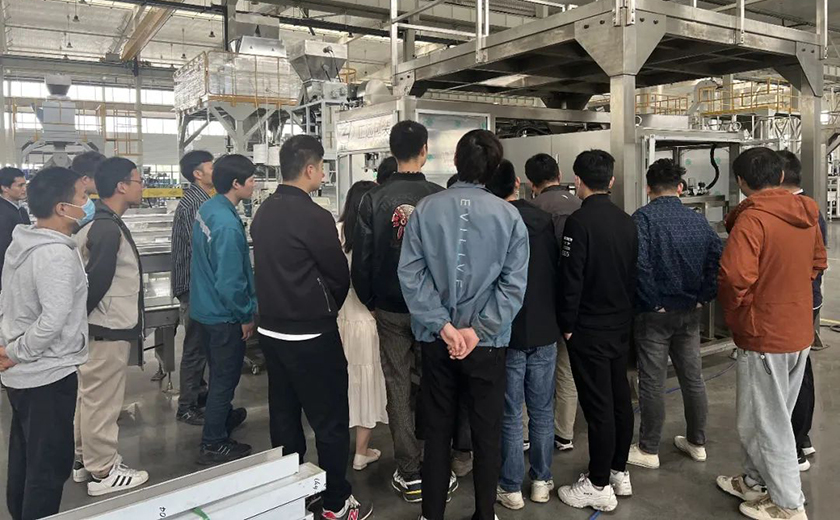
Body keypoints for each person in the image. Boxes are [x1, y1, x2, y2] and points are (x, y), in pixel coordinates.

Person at [399, 129, 529, 520]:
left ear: (456, 161)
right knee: (487, 433)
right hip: (486, 344)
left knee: (437, 431)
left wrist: (444, 327)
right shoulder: (509, 216)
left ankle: (431, 514)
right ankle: (484, 514)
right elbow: (513, 285)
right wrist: (477, 330)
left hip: (437, 340)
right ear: (495, 167)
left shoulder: (426, 209)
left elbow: (411, 275)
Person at [251, 135, 371, 520]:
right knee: (329, 420)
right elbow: (337, 275)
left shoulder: (263, 212)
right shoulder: (315, 217)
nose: (323, 174)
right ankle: (336, 502)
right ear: (308, 169)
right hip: (312, 335)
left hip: (272, 332)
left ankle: (294, 496)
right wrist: (323, 309)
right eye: (321, 168)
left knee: (284, 417)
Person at [716, 147, 826, 520]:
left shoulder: (753, 220)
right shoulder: (806, 213)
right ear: (780, 177)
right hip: (797, 329)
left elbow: (734, 278)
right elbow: (818, 262)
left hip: (765, 334)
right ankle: (754, 482)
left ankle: (788, 505)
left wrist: (740, 310)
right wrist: (788, 292)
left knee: (769, 422)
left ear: (741, 182)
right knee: (761, 416)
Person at [352, 120, 444, 502]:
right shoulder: (438, 197)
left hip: (389, 308)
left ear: (392, 152)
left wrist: (371, 301)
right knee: (434, 385)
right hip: (433, 311)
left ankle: (410, 472)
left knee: (398, 386)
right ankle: (436, 465)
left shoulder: (372, 199)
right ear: (424, 150)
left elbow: (362, 260)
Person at [0, 167, 89, 520]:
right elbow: (52, 321)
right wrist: (16, 352)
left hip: (24, 376)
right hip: (47, 374)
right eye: (82, 197)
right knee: (48, 468)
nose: (87, 203)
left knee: (26, 460)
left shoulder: (24, 242)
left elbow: (8, 301)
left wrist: (10, 349)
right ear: (62, 207)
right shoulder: (55, 255)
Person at [627, 158, 722, 470]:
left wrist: (654, 302)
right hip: (690, 313)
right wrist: (703, 298)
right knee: (693, 378)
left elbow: (639, 266)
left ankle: (649, 448)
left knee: (652, 382)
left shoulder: (642, 219)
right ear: (680, 187)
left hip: (654, 316)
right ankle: (697, 442)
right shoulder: (698, 221)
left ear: (648, 188)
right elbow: (717, 259)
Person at [556, 150, 636, 513]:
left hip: (589, 328)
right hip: (620, 324)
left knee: (598, 406)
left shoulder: (579, 222)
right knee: (619, 400)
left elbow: (571, 278)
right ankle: (619, 470)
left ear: (577, 181)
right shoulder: (626, 221)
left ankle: (598, 484)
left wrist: (567, 325)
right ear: (612, 180)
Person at [486, 160, 560, 510]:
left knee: (511, 411)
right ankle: (542, 481)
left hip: (508, 329)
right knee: (542, 409)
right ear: (518, 182)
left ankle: (511, 486)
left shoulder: (493, 221)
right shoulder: (543, 219)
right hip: (545, 326)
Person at [73, 157, 148, 496]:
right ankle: (103, 471)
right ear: (121, 186)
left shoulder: (103, 222)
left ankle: (83, 460)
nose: (142, 187)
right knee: (102, 402)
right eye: (138, 181)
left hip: (99, 329)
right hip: (105, 330)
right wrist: (83, 323)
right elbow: (96, 284)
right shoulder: (106, 228)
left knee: (90, 398)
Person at [189, 154, 255, 465]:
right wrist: (245, 314)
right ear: (236, 184)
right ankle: (214, 442)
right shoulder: (227, 225)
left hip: (204, 308)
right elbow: (230, 281)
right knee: (224, 379)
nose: (255, 185)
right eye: (252, 180)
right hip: (223, 315)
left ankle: (222, 417)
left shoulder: (210, 208)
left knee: (218, 372)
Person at [524, 153, 580, 452]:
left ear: (531, 183)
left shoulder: (531, 211)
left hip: (539, 303)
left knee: (531, 373)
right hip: (576, 302)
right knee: (566, 370)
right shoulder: (580, 207)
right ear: (560, 175)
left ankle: (525, 433)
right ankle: (564, 433)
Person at [336, 180, 389, 471]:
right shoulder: (374, 233)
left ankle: (338, 444)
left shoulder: (335, 231)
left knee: (342, 382)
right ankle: (361, 451)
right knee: (367, 383)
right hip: (368, 320)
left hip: (340, 320)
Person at [778, 150, 825, 473]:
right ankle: (802, 437)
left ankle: (794, 446)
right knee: (800, 369)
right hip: (805, 298)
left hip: (796, 302)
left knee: (792, 376)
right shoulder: (808, 207)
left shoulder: (800, 209)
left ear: (779, 176)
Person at [171, 150, 215, 425]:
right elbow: (199, 246)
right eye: (211, 167)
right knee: (195, 347)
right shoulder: (194, 204)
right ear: (198, 174)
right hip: (193, 285)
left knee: (201, 345)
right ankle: (186, 406)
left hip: (198, 284)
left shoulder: (203, 200)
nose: (215, 171)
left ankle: (199, 397)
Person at [0, 167, 31, 289]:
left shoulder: (21, 211)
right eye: (20, 186)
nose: (24, 189)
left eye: (25, 185)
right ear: (5, 188)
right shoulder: (2, 213)